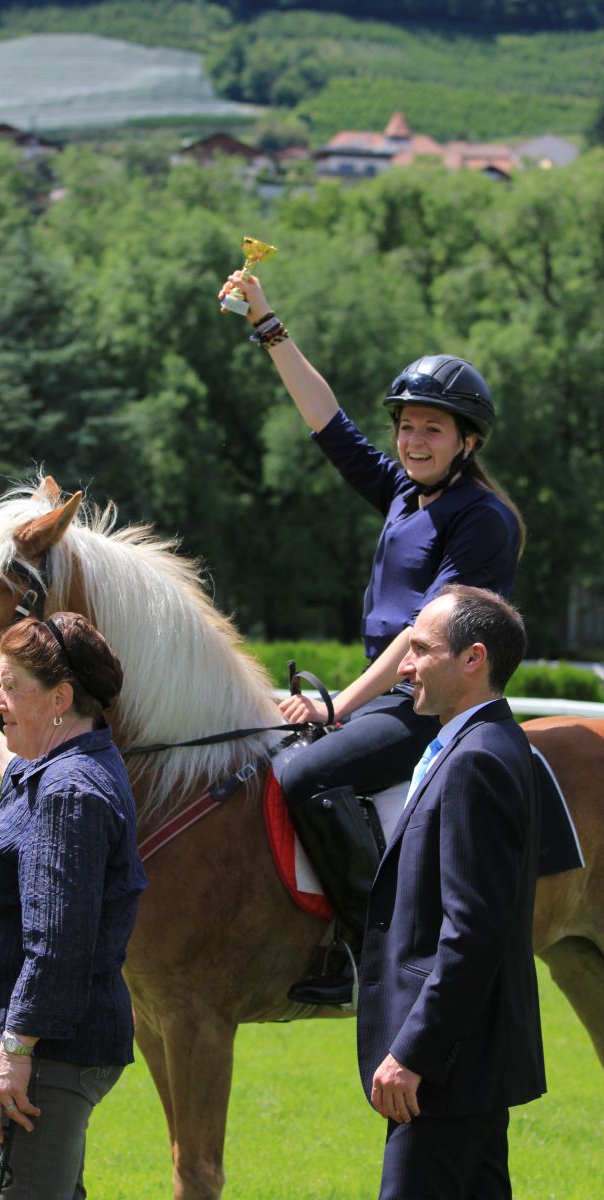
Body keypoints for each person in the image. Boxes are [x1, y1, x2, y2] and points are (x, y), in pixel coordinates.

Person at [218, 269, 526, 1005]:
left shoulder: (482, 518)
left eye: (432, 429)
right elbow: (327, 421)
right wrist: (267, 324)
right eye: (406, 427)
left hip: (434, 703)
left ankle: (371, 950)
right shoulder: (403, 494)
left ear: (467, 441)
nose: (413, 441)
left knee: (303, 775)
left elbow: (427, 629)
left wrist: (339, 705)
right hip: (390, 692)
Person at [0, 612, 147, 1200]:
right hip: (54, 1051)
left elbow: (57, 944)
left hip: (47, 1054)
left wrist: (16, 1052)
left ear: (60, 699)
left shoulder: (69, 794)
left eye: (9, 686)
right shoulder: (74, 765)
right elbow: (25, 775)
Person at [357, 584, 545, 1199]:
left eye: (420, 649)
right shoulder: (483, 743)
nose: (403, 666)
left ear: (473, 659)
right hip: (469, 1064)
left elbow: (473, 931)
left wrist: (414, 1052)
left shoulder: (475, 760)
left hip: (446, 1069)